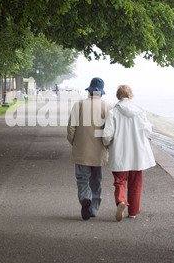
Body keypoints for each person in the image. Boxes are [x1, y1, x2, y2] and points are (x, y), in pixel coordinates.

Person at [102, 85, 156, 221]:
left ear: (118, 96)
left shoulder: (113, 112)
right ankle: (133, 211)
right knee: (136, 183)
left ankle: (121, 201)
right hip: (138, 153)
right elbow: (148, 131)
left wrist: (106, 144)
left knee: (120, 181)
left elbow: (107, 135)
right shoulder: (140, 111)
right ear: (130, 95)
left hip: (119, 152)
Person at [67, 77, 112, 220]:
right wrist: (107, 146)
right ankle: (93, 209)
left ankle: (85, 198)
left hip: (81, 149)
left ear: (89, 92)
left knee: (82, 179)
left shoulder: (79, 105)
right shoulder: (107, 107)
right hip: (99, 151)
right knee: (96, 181)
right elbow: (110, 131)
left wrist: (74, 142)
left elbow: (71, 128)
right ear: (101, 94)